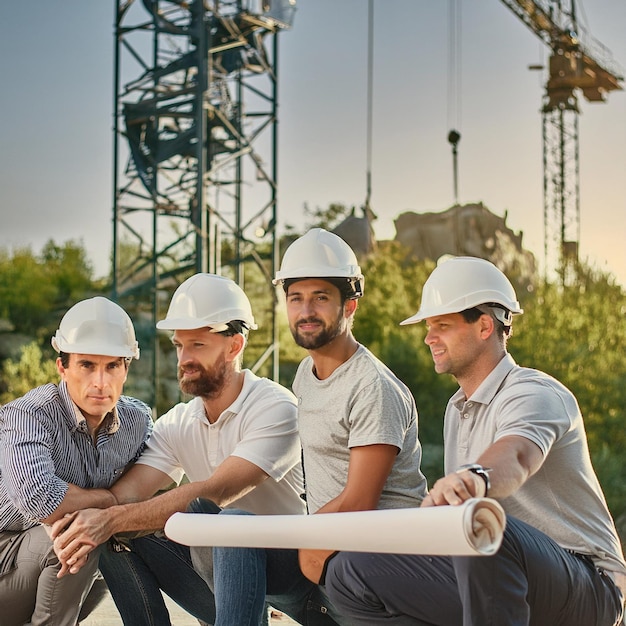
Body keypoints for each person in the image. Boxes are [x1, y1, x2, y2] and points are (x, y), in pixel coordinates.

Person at [324, 255, 626, 626]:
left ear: (484, 326)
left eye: (442, 325)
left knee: (479, 521)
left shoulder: (534, 392)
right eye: (429, 326)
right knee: (348, 570)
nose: (428, 337)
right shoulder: (456, 410)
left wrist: (475, 479)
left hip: (588, 587)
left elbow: (516, 455)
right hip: (501, 577)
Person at [52, 273, 306, 625]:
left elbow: (218, 491)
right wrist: (85, 518)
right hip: (217, 580)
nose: (184, 358)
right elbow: (125, 495)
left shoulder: (276, 407)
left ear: (234, 346)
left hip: (290, 580)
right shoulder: (179, 422)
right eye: (178, 345)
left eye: (197, 345)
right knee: (113, 534)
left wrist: (107, 518)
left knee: (228, 524)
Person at [207, 228, 428, 625]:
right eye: (296, 298)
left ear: (350, 306)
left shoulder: (372, 386)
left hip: (375, 568)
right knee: (230, 528)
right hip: (325, 557)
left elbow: (360, 504)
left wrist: (309, 538)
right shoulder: (306, 376)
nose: (306, 310)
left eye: (320, 298)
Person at [0, 296, 152, 626]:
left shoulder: (138, 422)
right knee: (79, 530)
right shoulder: (31, 414)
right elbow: (39, 498)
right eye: (86, 365)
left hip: (56, 566)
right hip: (4, 557)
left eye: (112, 366)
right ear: (63, 367)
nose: (100, 382)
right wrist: (109, 501)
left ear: (127, 368)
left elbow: (148, 499)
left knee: (111, 534)